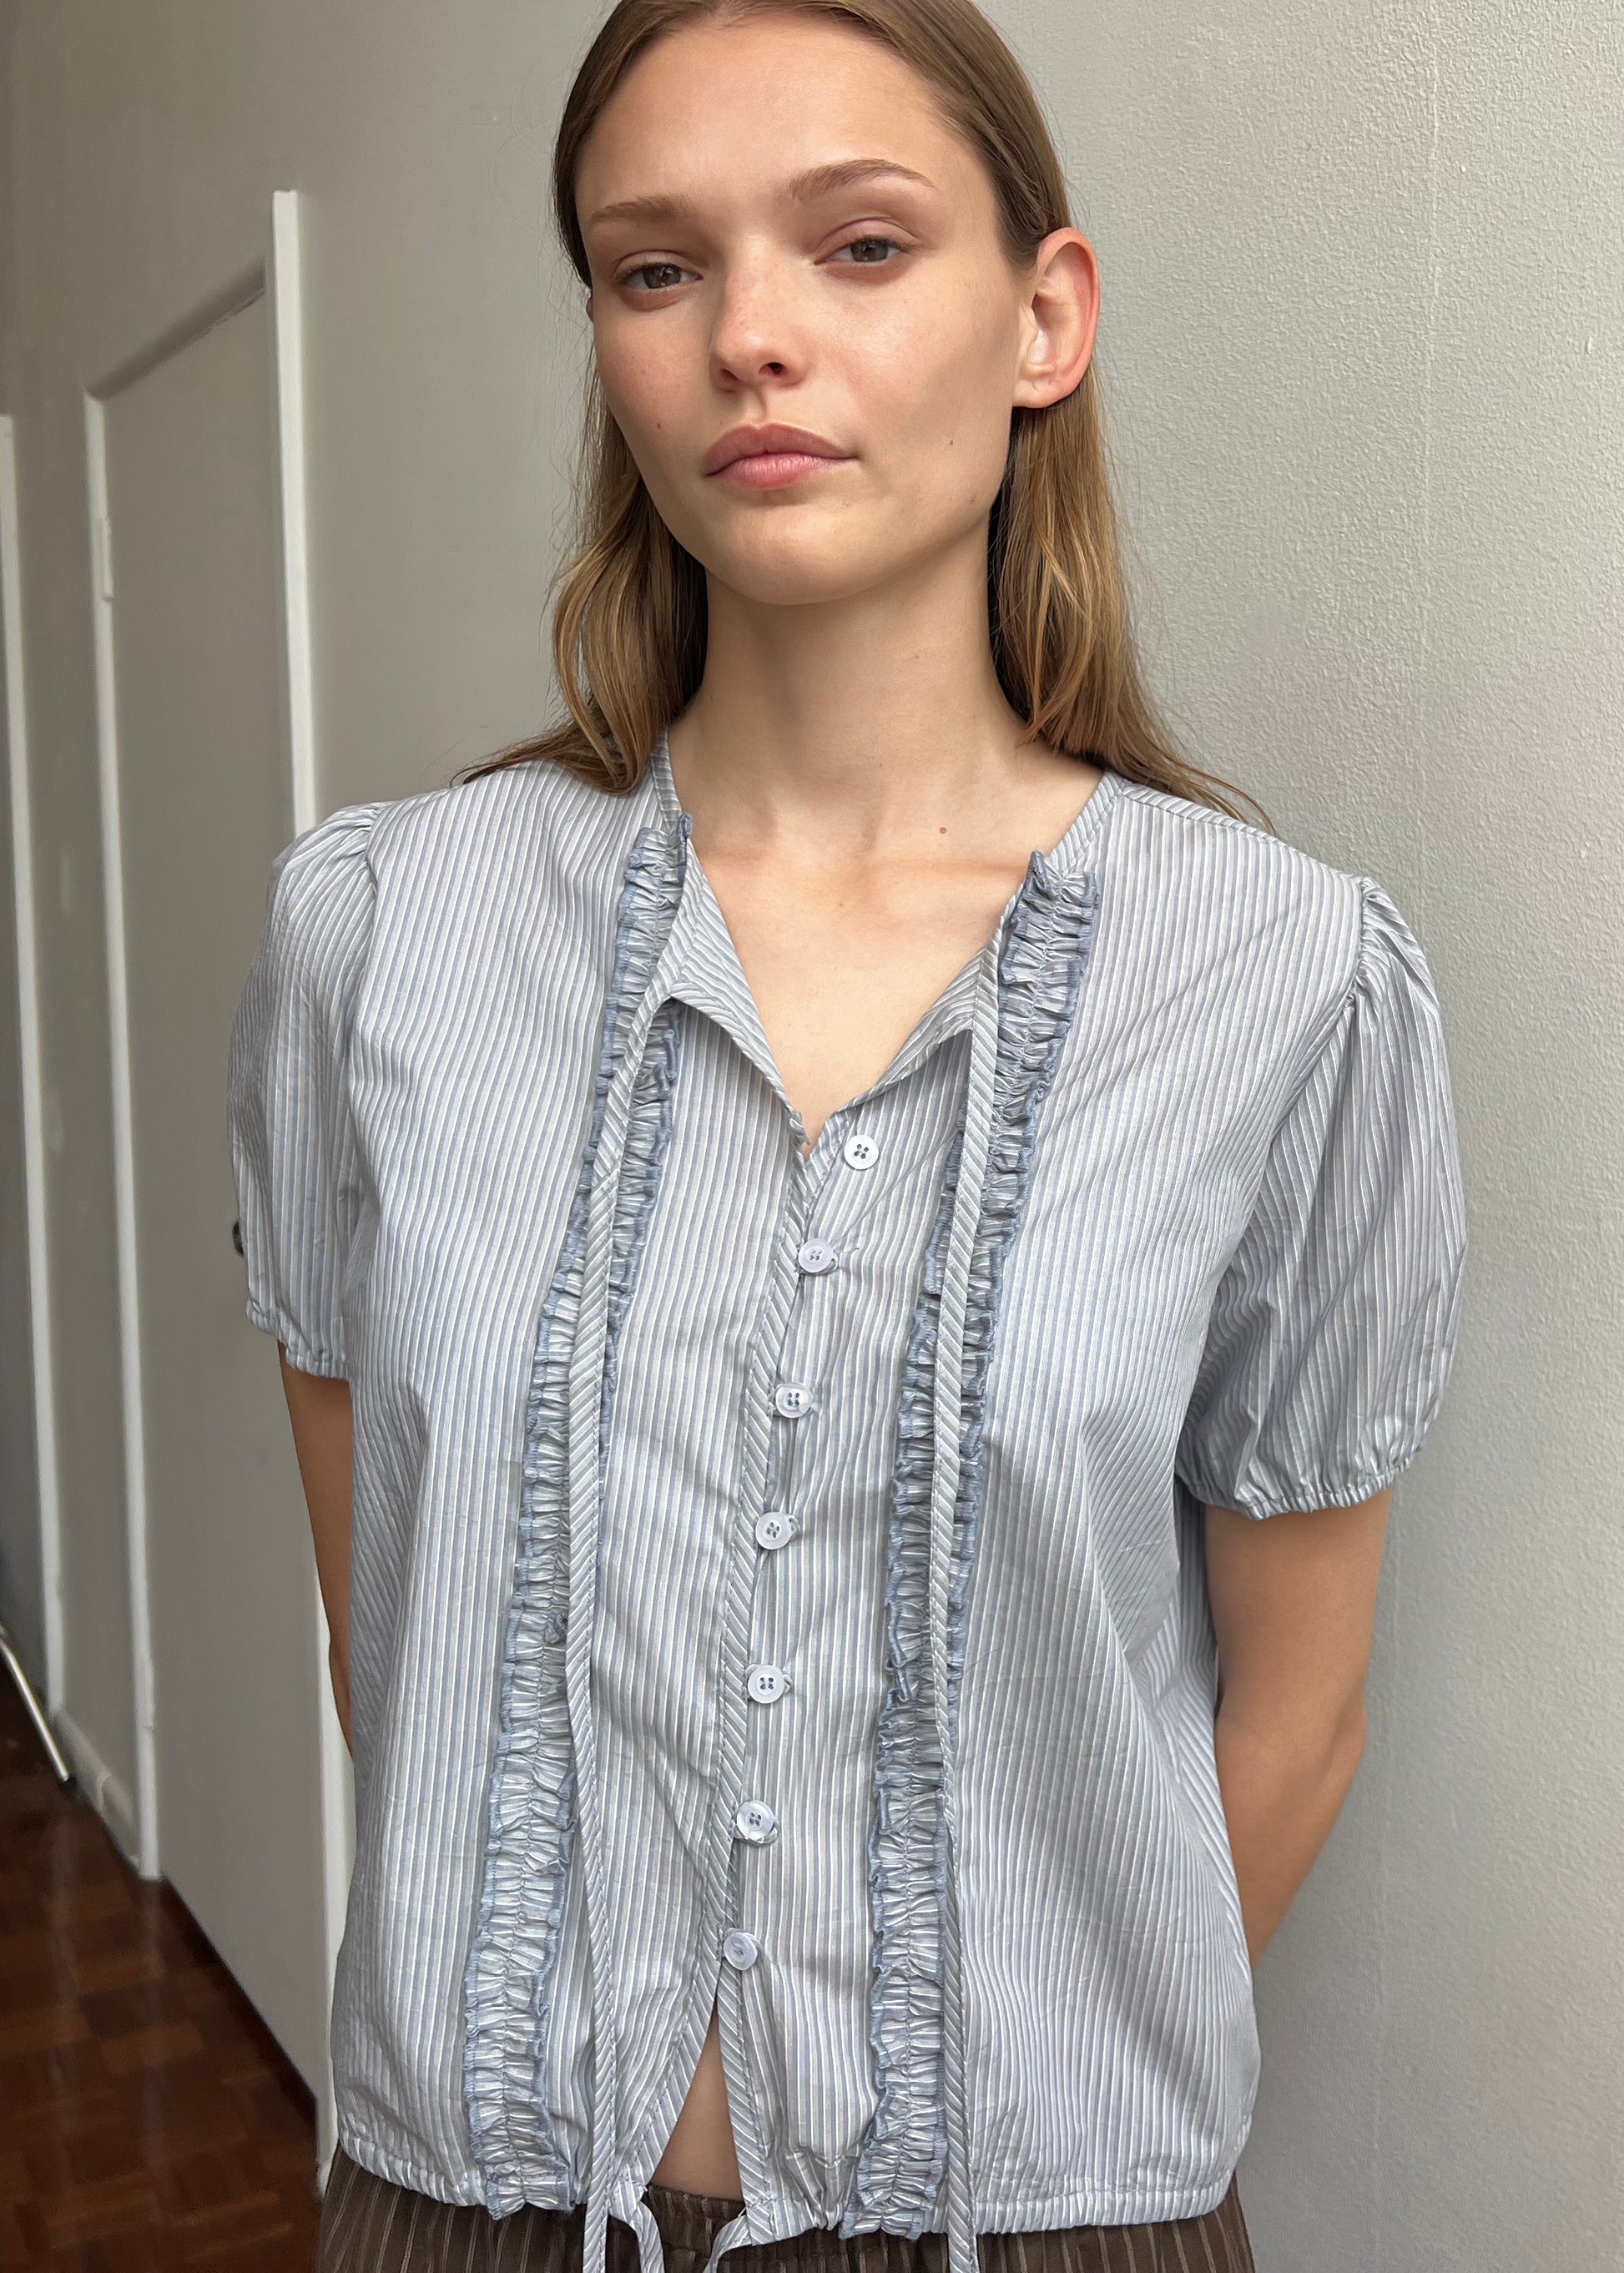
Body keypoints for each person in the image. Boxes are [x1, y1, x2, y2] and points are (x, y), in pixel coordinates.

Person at [227, 3, 1468, 2271]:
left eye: (862, 243)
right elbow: (389, 1640)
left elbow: (1296, 1722)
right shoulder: (381, 937)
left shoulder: (1287, 982)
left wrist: (1022, 2101)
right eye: (657, 266)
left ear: (1043, 317)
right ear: (609, 346)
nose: (750, 337)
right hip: (465, 2208)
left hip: (1041, 2225)